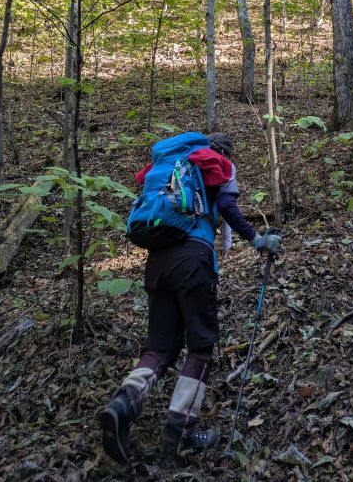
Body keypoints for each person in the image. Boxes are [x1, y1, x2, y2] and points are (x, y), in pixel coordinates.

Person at [99, 132, 282, 468]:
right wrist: (258, 239)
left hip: (157, 262)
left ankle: (123, 404)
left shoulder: (173, 167)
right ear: (224, 152)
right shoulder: (219, 165)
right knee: (200, 346)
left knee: (160, 348)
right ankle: (181, 431)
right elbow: (226, 206)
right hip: (193, 260)